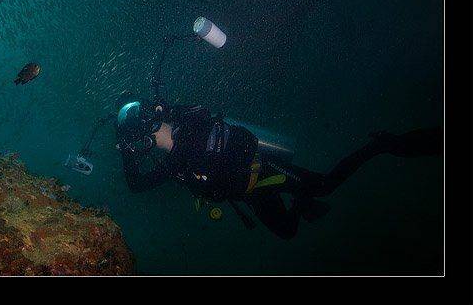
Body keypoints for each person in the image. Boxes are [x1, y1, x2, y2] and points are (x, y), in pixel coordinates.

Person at [115, 98, 442, 239]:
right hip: (252, 193)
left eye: (139, 140)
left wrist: (134, 147)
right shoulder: (173, 158)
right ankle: (300, 202)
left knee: (326, 184)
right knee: (287, 231)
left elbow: (138, 184)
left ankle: (381, 145)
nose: (142, 146)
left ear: (147, 131)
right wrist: (129, 154)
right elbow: (139, 184)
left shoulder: (187, 134)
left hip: (265, 170)